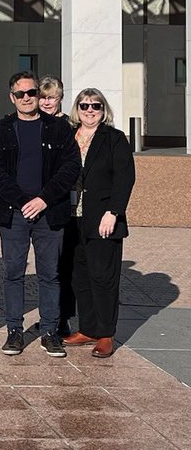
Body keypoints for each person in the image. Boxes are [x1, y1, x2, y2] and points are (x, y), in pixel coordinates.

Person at [0, 71, 79, 357]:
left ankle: (50, 331)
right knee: (13, 273)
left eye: (31, 93)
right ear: (11, 97)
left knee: (49, 275)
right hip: (13, 213)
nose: (26, 98)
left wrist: (43, 199)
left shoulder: (58, 129)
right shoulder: (1, 129)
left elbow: (71, 167)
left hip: (49, 213)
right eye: (20, 94)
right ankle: (14, 330)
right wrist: (23, 201)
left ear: (39, 94)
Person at [63, 88, 135, 359]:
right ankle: (88, 328)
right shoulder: (69, 137)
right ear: (77, 109)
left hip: (103, 219)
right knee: (80, 277)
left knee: (103, 278)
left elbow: (125, 178)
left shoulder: (113, 139)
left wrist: (114, 211)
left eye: (96, 106)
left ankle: (106, 333)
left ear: (104, 110)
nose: (90, 110)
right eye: (84, 106)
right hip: (72, 219)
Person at [39, 75, 74, 335]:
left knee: (62, 265)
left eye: (51, 97)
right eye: (43, 97)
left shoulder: (68, 126)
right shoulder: (33, 123)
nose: (47, 102)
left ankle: (62, 318)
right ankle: (50, 315)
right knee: (46, 266)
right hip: (36, 204)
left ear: (60, 98)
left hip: (61, 202)